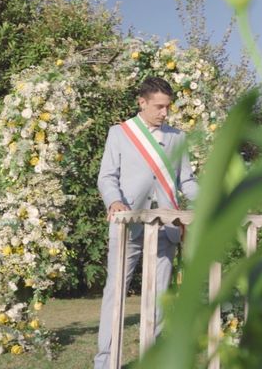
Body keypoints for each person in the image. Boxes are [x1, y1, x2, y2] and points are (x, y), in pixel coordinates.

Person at [94, 76, 198, 369]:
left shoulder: (178, 136)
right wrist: (114, 201)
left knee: (159, 297)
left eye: (168, 107)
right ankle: (105, 363)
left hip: (166, 228)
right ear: (142, 102)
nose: (165, 113)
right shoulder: (119, 133)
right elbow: (107, 176)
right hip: (128, 224)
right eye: (159, 107)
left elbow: (186, 181)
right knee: (115, 294)